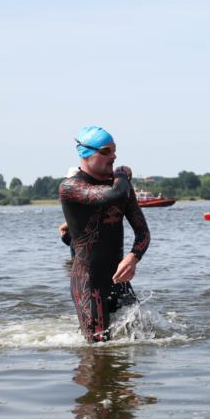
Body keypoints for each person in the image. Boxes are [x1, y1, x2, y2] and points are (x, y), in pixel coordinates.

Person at [60, 125, 150, 342]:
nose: (114, 156)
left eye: (115, 150)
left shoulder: (121, 186)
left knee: (143, 340)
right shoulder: (71, 187)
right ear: (86, 153)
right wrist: (122, 174)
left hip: (119, 281)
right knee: (98, 352)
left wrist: (133, 257)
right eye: (106, 151)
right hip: (89, 284)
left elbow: (143, 232)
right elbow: (113, 195)